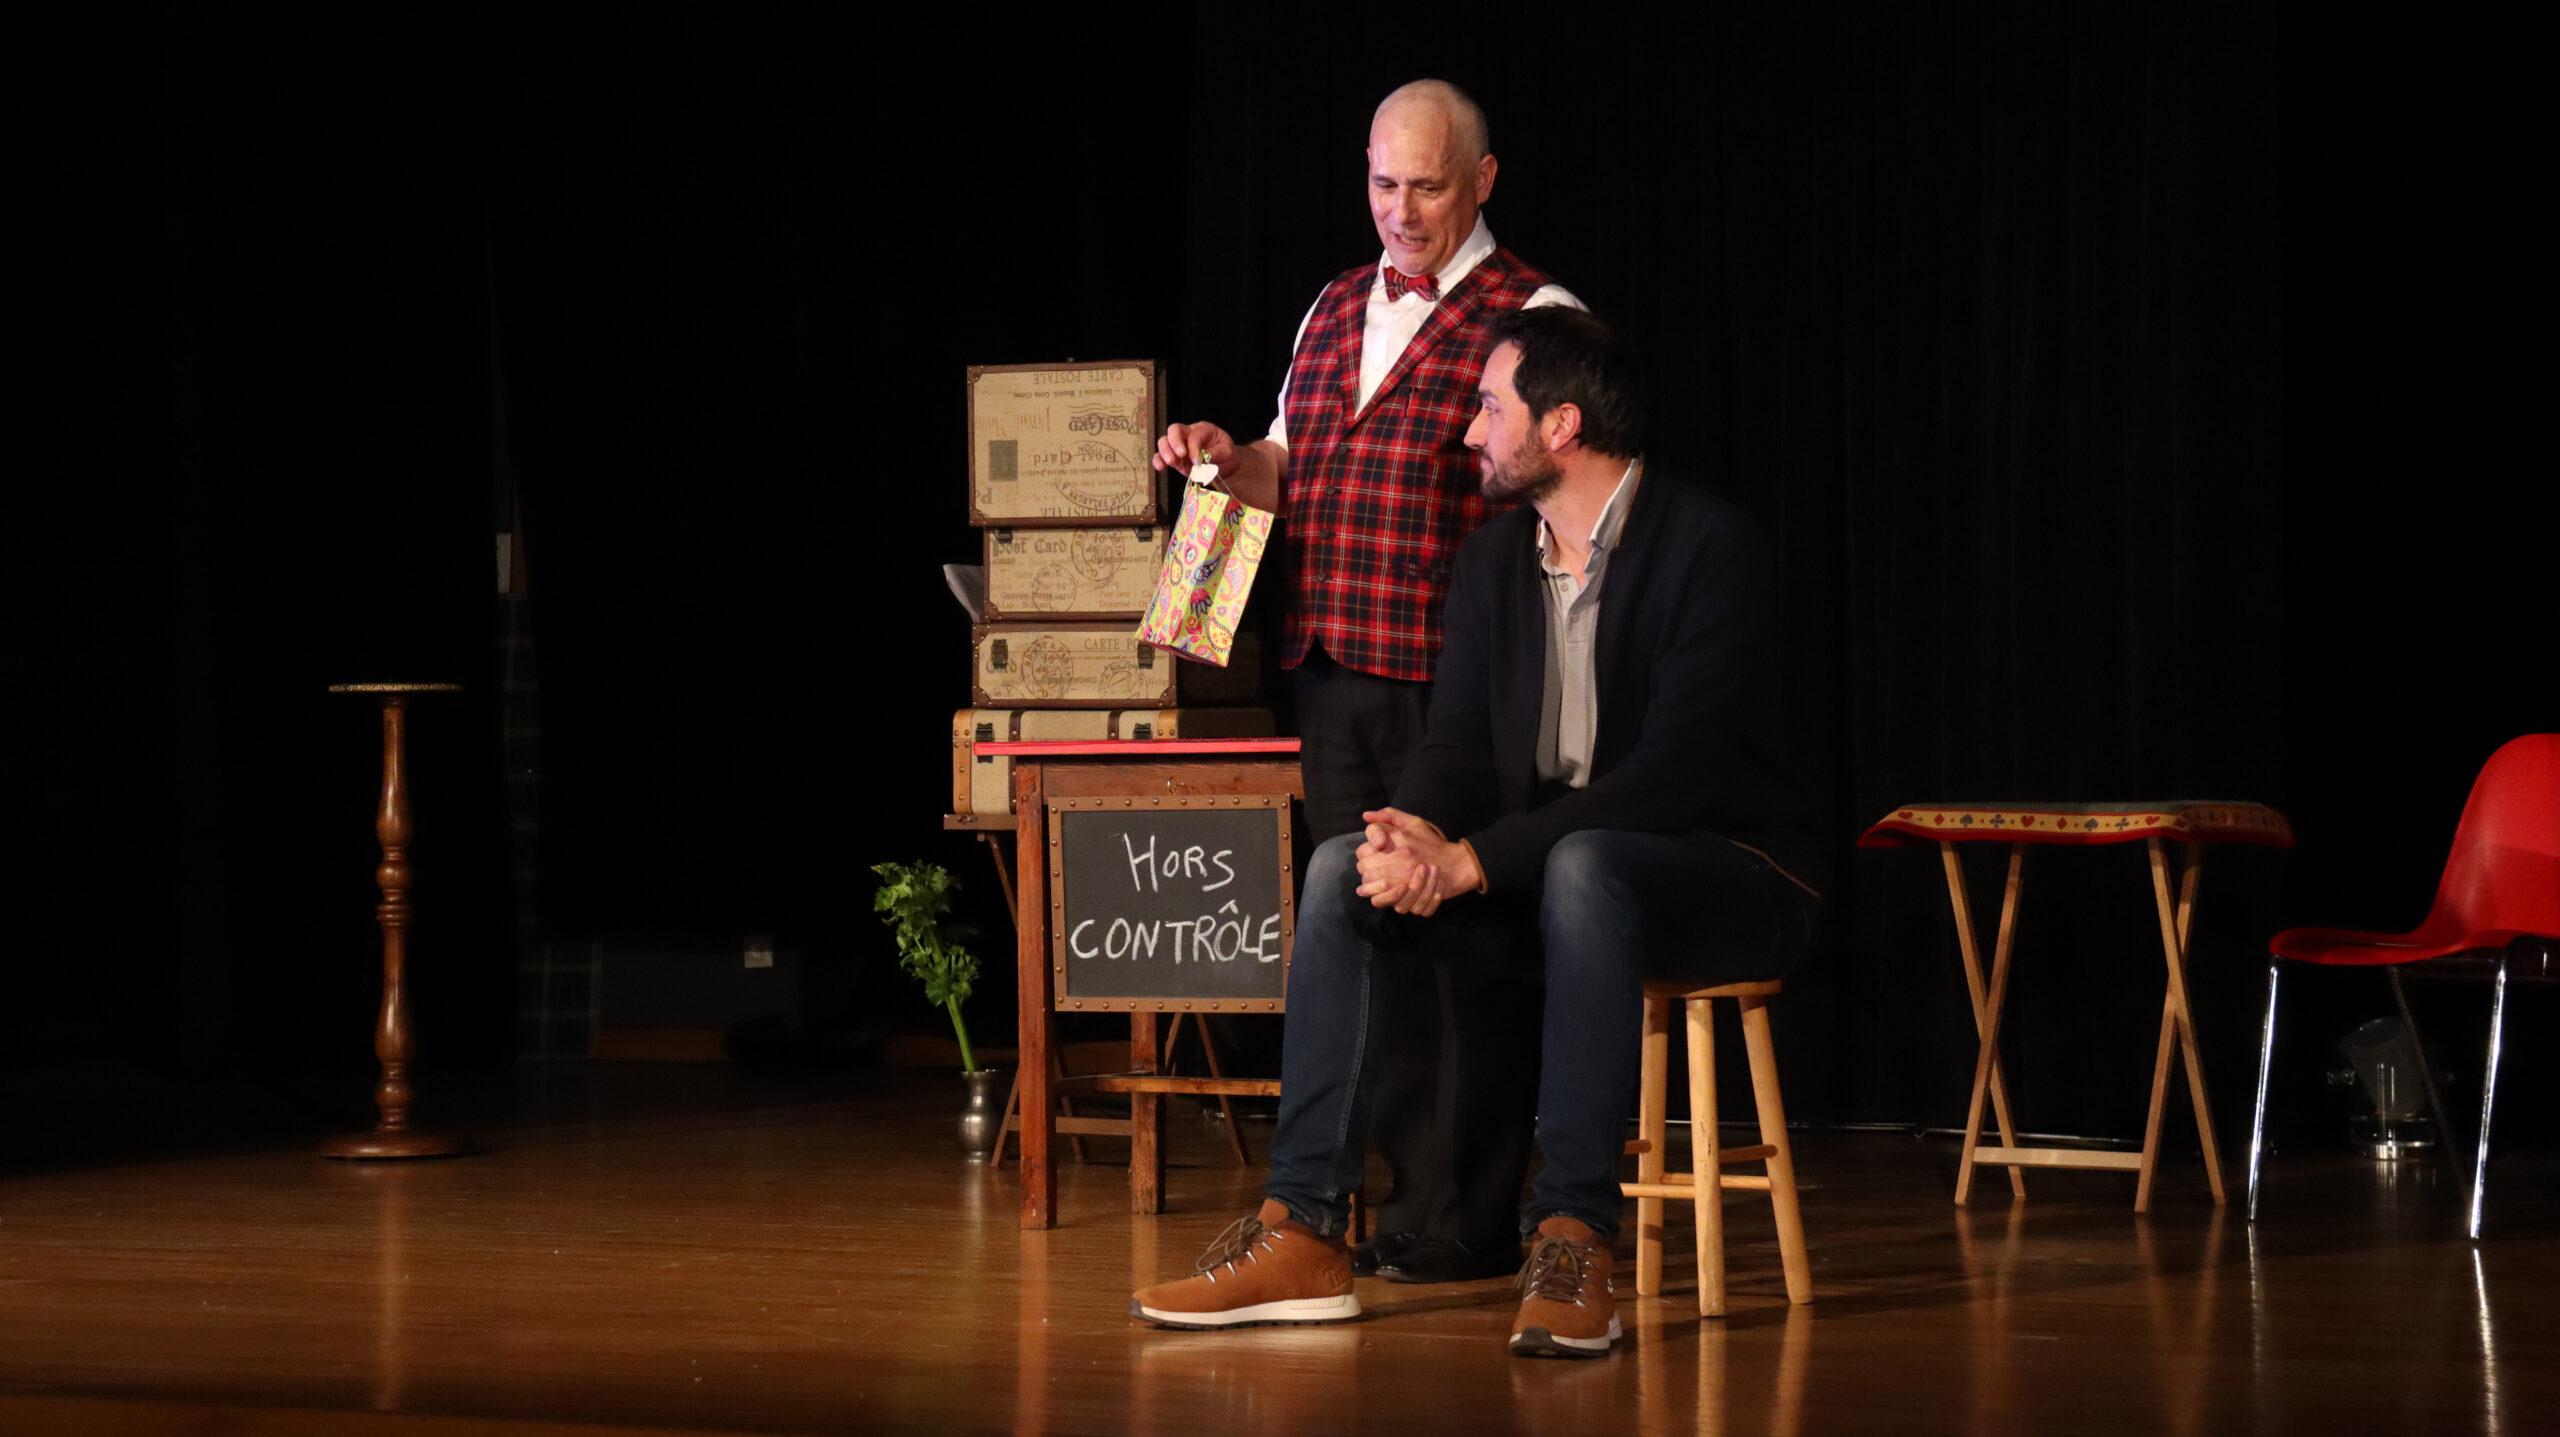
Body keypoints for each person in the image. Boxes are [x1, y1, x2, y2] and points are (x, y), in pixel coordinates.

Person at [1131, 307, 1824, 1358]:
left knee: (1591, 864)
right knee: (1335, 874)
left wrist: (1475, 862)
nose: (1466, 434)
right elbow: (1455, 745)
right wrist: (1407, 835)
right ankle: (1303, 1230)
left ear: (1562, 426)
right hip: (1550, 873)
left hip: (1726, 873)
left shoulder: (1707, 548)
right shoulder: (1496, 562)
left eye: (1488, 408)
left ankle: (1573, 1235)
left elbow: (1673, 781)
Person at [1152, 78, 1583, 1286]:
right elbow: (1291, 462)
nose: (1401, 211)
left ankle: (1470, 1216)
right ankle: (1393, 1207)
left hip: (1462, 690)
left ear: (1482, 182)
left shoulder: (1535, 311)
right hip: (1332, 664)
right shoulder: (1336, 304)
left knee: (1466, 938)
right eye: (1384, 184)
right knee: (1361, 932)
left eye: (1429, 186)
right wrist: (1232, 460)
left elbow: (1568, 487)